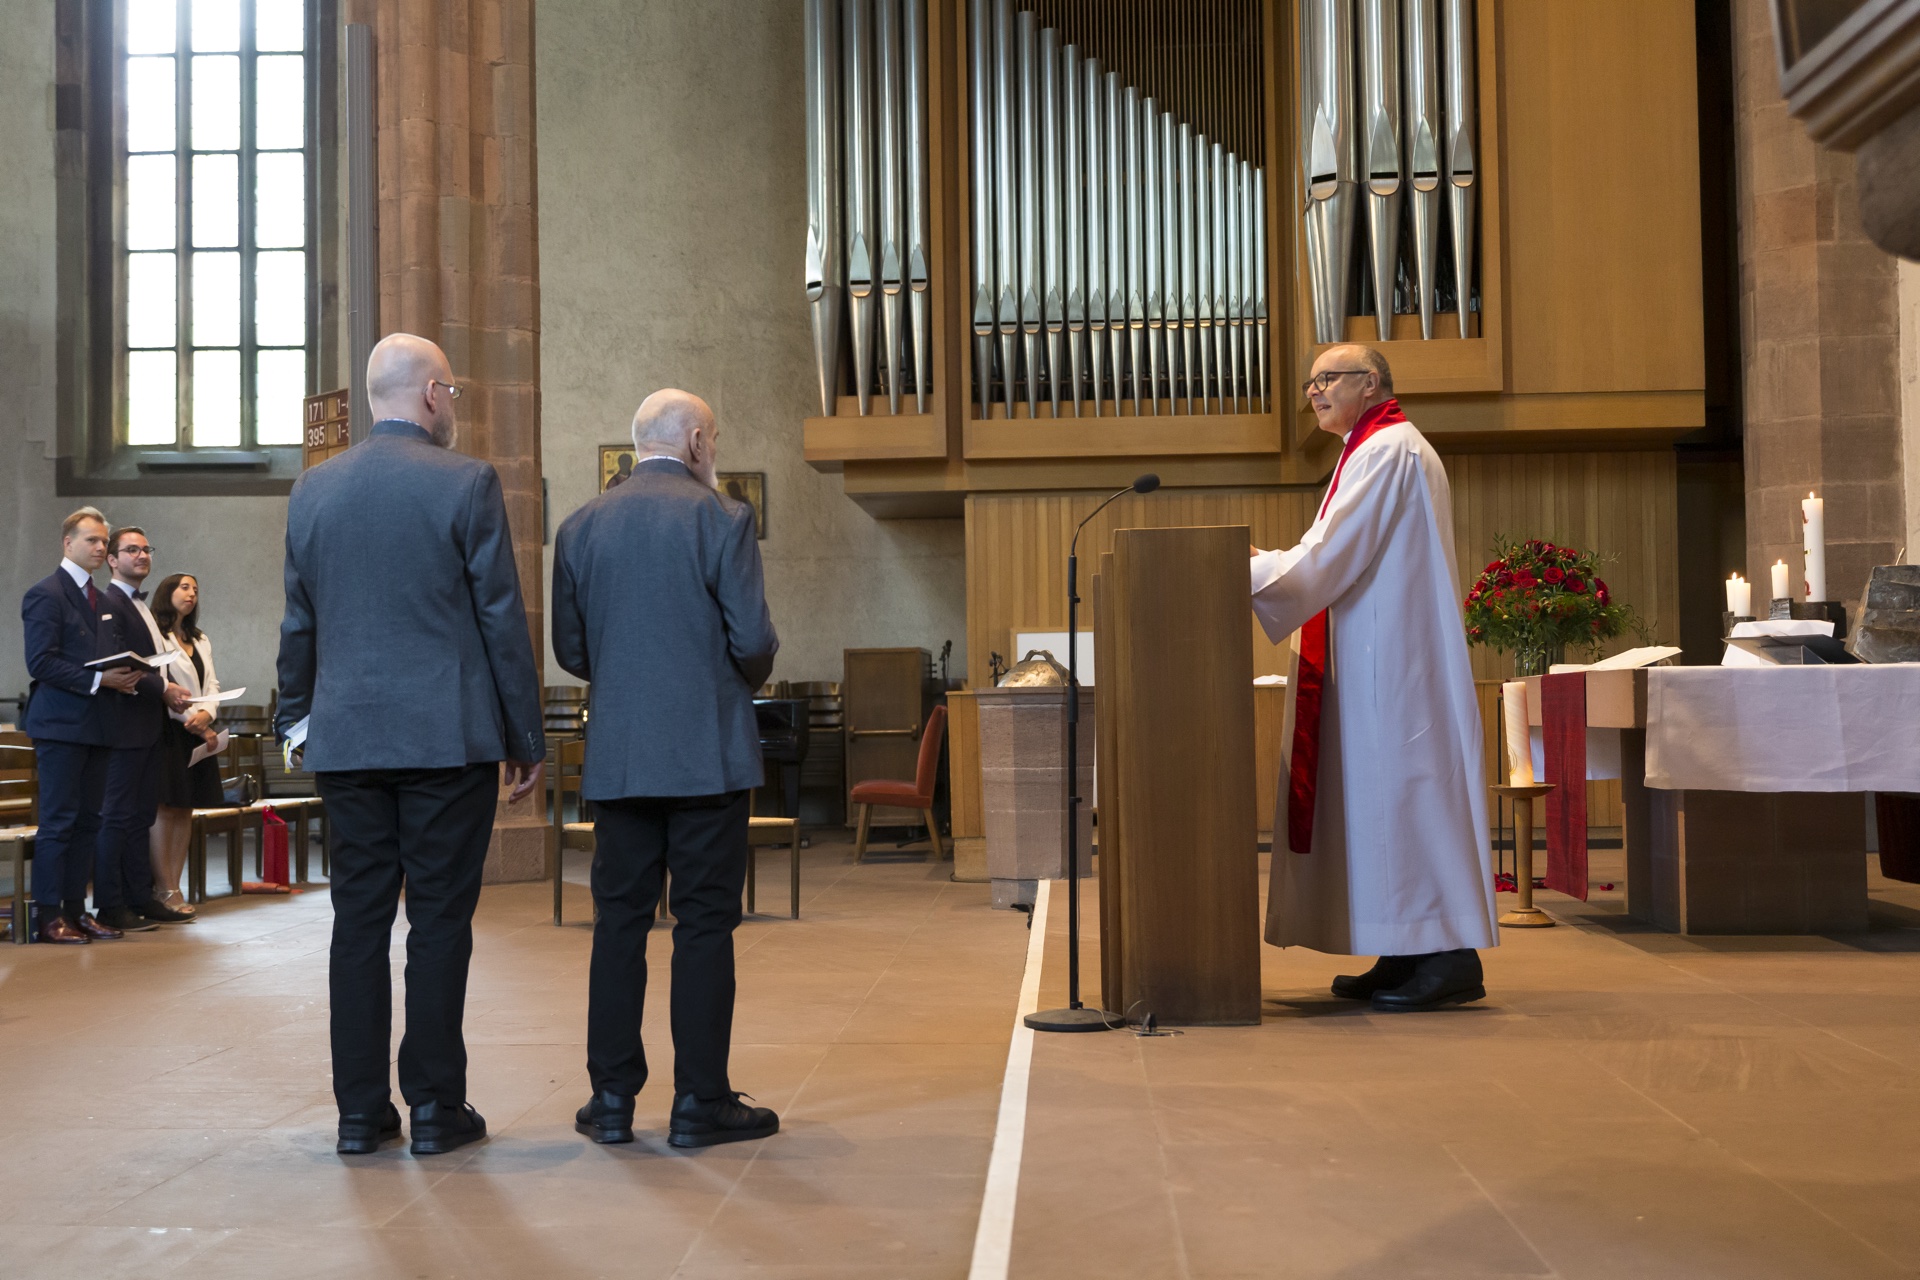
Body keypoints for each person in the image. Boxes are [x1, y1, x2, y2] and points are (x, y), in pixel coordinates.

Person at [277, 333, 546, 1158]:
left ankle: (359, 1113)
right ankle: (435, 1108)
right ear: (431, 392)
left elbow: (300, 621)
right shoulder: (465, 481)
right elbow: (500, 616)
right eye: (454, 392)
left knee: (356, 923)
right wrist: (523, 734)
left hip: (348, 738)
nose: (455, 405)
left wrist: (296, 720)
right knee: (438, 924)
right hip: (445, 737)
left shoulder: (313, 490)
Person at [552, 388, 780, 1148]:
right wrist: (717, 682)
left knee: (618, 922)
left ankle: (611, 1100)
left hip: (620, 755)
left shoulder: (581, 525)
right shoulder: (722, 519)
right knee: (705, 924)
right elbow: (752, 639)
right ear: (692, 441)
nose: (714, 450)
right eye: (712, 437)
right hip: (707, 754)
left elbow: (572, 652)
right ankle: (699, 1104)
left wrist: (626, 682)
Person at [1248, 344, 1497, 1012]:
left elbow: (1330, 555)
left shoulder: (1388, 449)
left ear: (1372, 383)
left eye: (1329, 379)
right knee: (1382, 804)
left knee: (1405, 800)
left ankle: (1447, 956)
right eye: (1310, 382)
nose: (1315, 391)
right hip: (1376, 655)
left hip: (1394, 662)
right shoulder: (1371, 448)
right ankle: (1405, 946)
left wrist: (1248, 568)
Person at [19, 509, 180, 944]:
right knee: (59, 822)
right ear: (67, 543)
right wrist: (98, 680)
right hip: (61, 724)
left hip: (101, 723)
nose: (99, 547)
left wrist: (126, 679)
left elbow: (109, 656)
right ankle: (49, 915)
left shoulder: (104, 602)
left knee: (89, 820)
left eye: (103, 541)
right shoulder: (46, 594)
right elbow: (41, 662)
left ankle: (77, 910)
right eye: (91, 540)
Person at [94, 528, 195, 931]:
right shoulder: (110, 602)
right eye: (130, 550)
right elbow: (118, 660)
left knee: (139, 816)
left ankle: (139, 897)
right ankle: (110, 903)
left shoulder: (143, 606)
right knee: (116, 816)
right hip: (124, 723)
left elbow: (154, 659)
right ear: (112, 560)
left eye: (145, 549)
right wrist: (163, 688)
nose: (141, 555)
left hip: (149, 726)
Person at [147, 572, 228, 917]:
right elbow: (159, 685)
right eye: (184, 587)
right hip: (169, 729)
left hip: (198, 728)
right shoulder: (157, 635)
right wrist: (192, 722)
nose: (191, 593)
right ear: (168, 592)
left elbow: (212, 683)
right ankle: (162, 887)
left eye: (196, 588)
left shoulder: (199, 638)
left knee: (186, 808)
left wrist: (208, 714)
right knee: (166, 809)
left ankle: (173, 885)